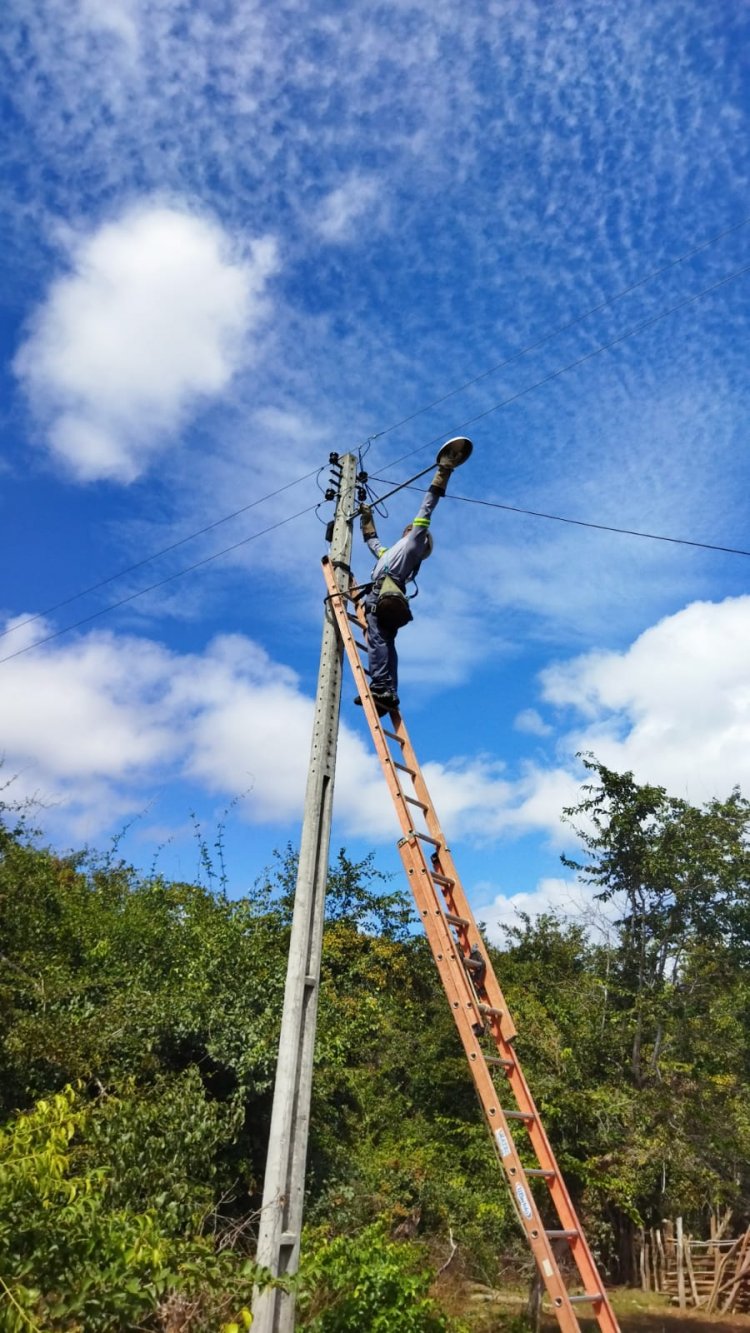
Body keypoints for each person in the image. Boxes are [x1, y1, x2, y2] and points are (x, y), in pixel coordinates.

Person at [357, 449, 457, 714]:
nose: (409, 528)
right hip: (389, 598)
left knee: (378, 641)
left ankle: (381, 687)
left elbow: (428, 506)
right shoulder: (393, 553)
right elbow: (373, 543)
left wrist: (442, 472)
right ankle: (388, 691)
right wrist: (366, 518)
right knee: (386, 643)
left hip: (381, 597)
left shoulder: (414, 543)